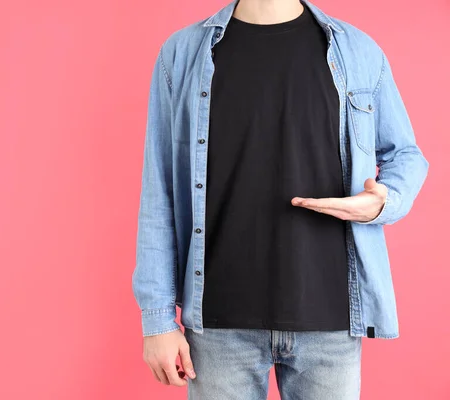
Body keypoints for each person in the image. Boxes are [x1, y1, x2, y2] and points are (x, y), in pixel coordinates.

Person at [131, 0, 429, 398]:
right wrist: (158, 321)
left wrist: (381, 202)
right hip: (219, 325)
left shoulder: (357, 51)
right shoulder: (182, 53)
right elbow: (160, 189)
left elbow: (405, 155)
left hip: (331, 321)